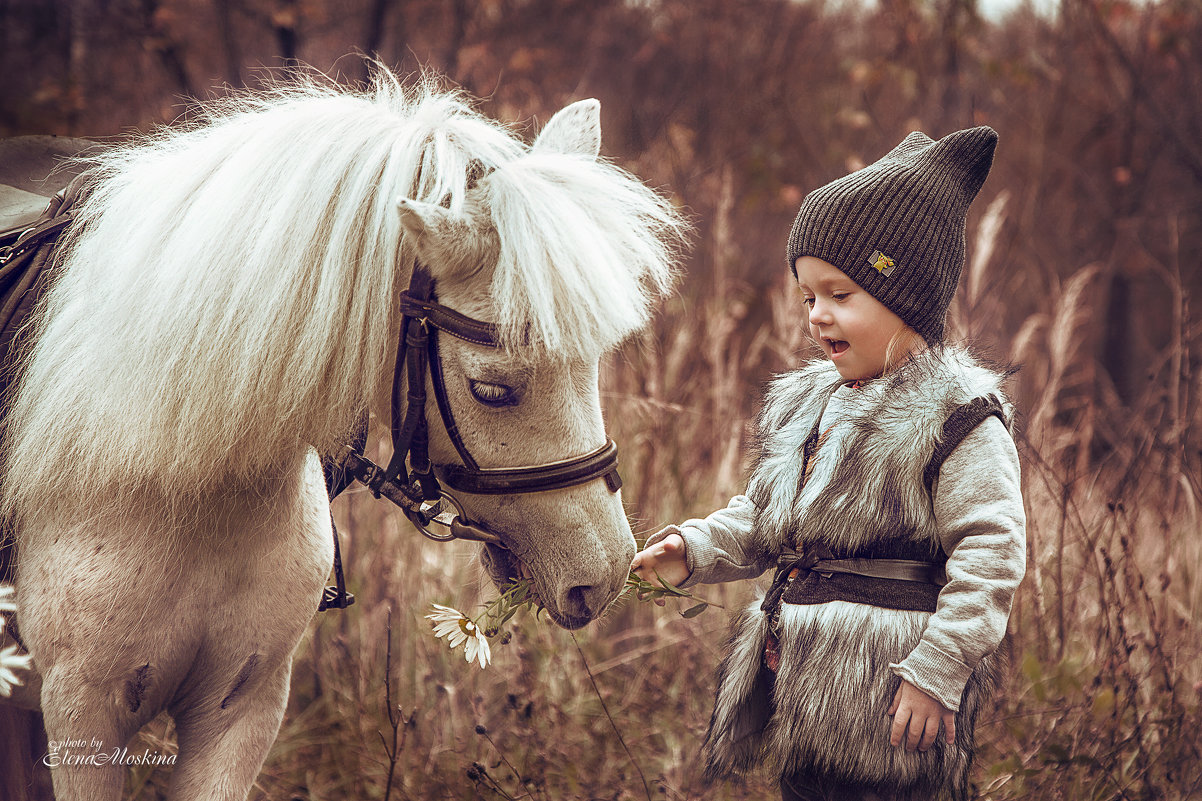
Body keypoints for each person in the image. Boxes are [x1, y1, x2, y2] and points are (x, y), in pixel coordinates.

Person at [632, 126, 1025, 801]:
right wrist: (692, 546)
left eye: (840, 294)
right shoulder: (810, 407)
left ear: (906, 297)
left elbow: (991, 553)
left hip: (896, 705)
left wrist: (937, 671)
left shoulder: (956, 418)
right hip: (804, 695)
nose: (817, 316)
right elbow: (763, 518)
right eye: (808, 296)